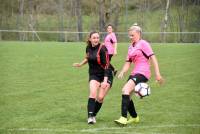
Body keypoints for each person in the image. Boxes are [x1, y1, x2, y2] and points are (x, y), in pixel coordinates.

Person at [114, 24, 164, 125]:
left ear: (138, 34)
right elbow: (128, 62)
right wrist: (123, 71)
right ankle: (134, 117)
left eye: (132, 35)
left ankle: (123, 118)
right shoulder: (130, 47)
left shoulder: (143, 44)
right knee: (126, 95)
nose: (130, 37)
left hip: (143, 72)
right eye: (129, 35)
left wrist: (157, 74)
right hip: (135, 72)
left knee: (125, 90)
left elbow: (153, 58)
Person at [73, 31, 113, 124]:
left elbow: (107, 65)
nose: (96, 39)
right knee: (93, 93)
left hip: (106, 75)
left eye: (97, 38)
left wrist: (105, 80)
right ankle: (90, 117)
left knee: (100, 97)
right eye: (94, 38)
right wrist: (80, 64)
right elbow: (88, 58)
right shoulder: (88, 48)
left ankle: (94, 114)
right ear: (90, 39)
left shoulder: (103, 48)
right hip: (94, 75)